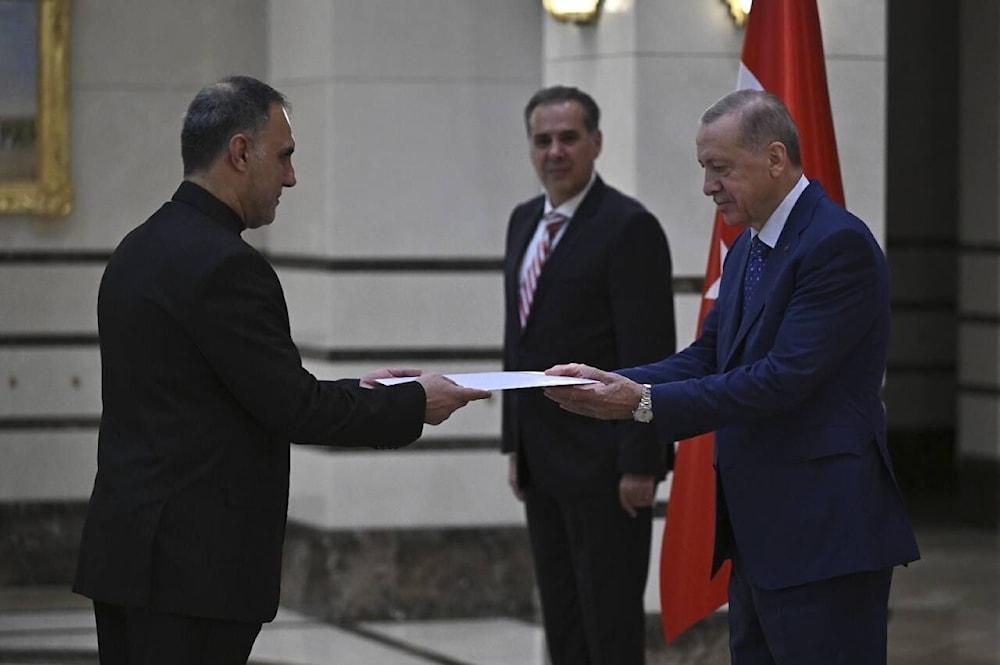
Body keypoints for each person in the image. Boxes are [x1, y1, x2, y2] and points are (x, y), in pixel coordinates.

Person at [72, 75, 490, 665]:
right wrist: (414, 403)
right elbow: (293, 407)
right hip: (193, 573)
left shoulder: (138, 248)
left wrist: (366, 390)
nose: (291, 177)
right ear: (240, 153)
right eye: (285, 156)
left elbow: (233, 392)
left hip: (128, 557)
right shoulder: (226, 266)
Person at [544, 89, 920, 665]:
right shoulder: (747, 247)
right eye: (703, 169)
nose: (707, 186)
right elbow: (709, 355)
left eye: (720, 169)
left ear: (775, 159)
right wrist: (607, 380)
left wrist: (642, 403)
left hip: (824, 536)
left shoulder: (836, 244)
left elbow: (781, 380)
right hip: (758, 537)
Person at [502, 85, 676, 665]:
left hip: (608, 469)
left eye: (568, 138)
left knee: (610, 626)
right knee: (563, 621)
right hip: (542, 462)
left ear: (596, 143)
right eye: (542, 139)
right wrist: (514, 444)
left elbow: (646, 349)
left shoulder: (629, 227)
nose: (555, 151)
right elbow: (518, 341)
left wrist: (641, 462)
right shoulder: (523, 221)